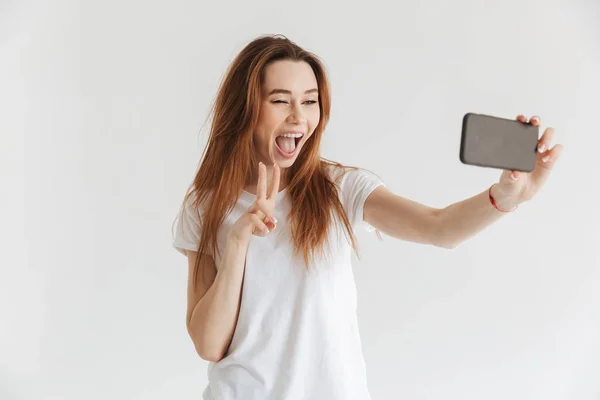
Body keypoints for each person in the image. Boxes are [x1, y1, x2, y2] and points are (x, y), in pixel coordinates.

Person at [171, 34, 563, 400]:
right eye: (279, 101)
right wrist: (238, 243)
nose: (298, 117)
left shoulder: (341, 189)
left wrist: (507, 196)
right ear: (246, 109)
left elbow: (438, 228)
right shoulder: (205, 207)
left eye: (309, 101)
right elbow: (209, 344)